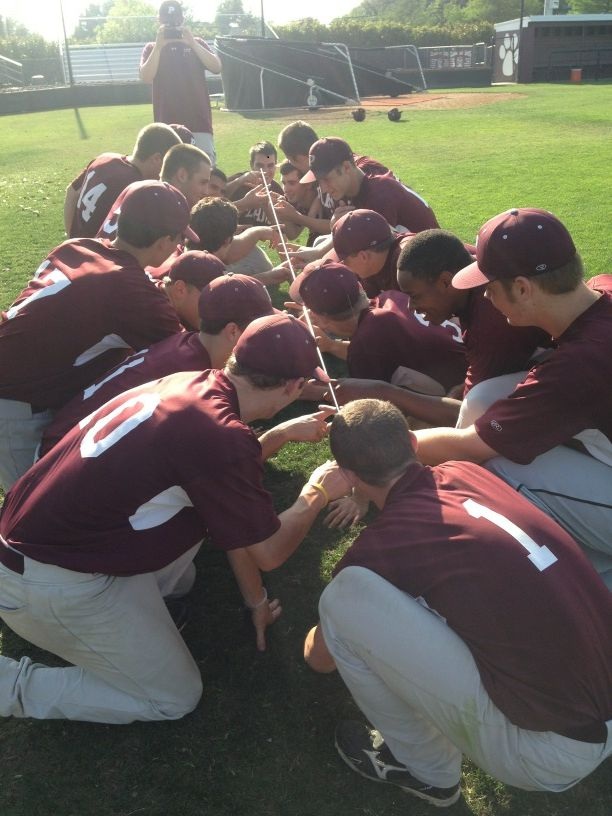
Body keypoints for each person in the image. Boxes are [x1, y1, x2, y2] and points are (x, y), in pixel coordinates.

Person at [0, 314, 347, 724]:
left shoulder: (191, 383)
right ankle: (13, 686)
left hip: (44, 544)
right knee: (173, 697)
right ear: (292, 386)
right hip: (48, 581)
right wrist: (316, 492)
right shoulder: (221, 437)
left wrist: (278, 435)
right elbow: (268, 551)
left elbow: (216, 477)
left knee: (187, 557)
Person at [304, 399, 612, 806]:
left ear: (349, 477)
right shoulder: (464, 471)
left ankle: (426, 772)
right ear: (413, 443)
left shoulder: (383, 546)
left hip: (554, 750)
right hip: (594, 699)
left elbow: (319, 658)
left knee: (342, 600)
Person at [412, 208, 612, 589]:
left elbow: (473, 446)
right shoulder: (601, 291)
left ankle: (593, 583)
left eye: (489, 287)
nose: (484, 296)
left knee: (497, 466)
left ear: (522, 288)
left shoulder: (581, 362)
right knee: (488, 396)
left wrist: (387, 443)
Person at [0, 181, 196, 490]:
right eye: (178, 238)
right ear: (163, 241)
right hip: (17, 404)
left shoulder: (77, 246)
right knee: (34, 510)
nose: (178, 246)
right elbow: (190, 357)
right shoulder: (131, 290)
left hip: (24, 385)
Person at [38, 270, 274, 456]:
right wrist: (277, 435)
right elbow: (213, 456)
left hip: (63, 439)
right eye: (255, 330)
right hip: (64, 454)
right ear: (233, 331)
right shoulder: (191, 374)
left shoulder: (188, 344)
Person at [397, 228, 550, 396]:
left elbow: (472, 408)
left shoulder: (491, 316)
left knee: (478, 399)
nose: (410, 306)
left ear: (446, 282)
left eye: (415, 296)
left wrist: (386, 392)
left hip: (568, 375)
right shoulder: (469, 289)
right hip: (559, 358)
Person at [291, 260, 466, 397]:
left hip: (463, 392)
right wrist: (331, 345)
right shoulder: (389, 297)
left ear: (321, 318)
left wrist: (322, 392)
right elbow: (386, 349)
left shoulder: (366, 343)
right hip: (472, 365)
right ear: (359, 287)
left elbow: (372, 403)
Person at [300, 137, 439, 235]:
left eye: (326, 179)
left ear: (347, 167)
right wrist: (317, 251)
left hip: (431, 267)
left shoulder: (380, 194)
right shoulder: (350, 190)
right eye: (319, 181)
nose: (323, 188)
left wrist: (336, 231)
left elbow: (367, 255)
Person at [140, 1, 222, 165]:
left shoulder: (196, 43)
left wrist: (192, 43)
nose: (171, 25)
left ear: (183, 19)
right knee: (170, 174)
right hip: (166, 127)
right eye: (167, 21)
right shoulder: (152, 48)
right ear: (159, 21)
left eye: (175, 21)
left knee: (204, 172)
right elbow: (146, 77)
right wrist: (159, 47)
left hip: (199, 123)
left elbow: (216, 67)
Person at [64, 123, 180, 238]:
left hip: (73, 248)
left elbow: (72, 192)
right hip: (94, 253)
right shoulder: (136, 187)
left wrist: (70, 238)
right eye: (169, 166)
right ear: (156, 158)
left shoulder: (104, 157)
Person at [97, 143, 212, 243]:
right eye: (202, 182)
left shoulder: (137, 190)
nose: (206, 191)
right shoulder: (166, 211)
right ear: (182, 175)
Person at [188, 197, 290, 286]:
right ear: (227, 241)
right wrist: (267, 277)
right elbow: (226, 287)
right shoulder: (211, 273)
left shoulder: (187, 257)